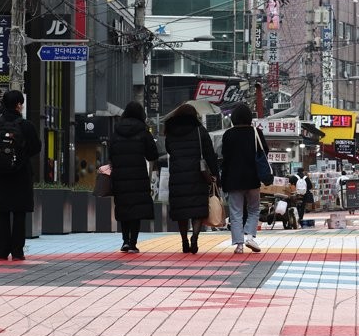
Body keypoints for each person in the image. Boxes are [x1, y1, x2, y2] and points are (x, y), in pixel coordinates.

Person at [0, 90, 41, 260]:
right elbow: (36, 147)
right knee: (19, 213)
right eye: (21, 103)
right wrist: (21, 157)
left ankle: (2, 251)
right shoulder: (26, 125)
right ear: (18, 105)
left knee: (2, 212)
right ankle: (17, 251)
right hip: (21, 174)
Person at [165, 103, 219, 254]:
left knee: (182, 210)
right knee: (197, 210)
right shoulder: (199, 130)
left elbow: (169, 149)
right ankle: (195, 237)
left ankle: (184, 241)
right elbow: (209, 154)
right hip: (197, 175)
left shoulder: (170, 131)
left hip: (177, 176)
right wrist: (215, 175)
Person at [108, 101, 160, 253]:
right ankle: (133, 243)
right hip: (138, 175)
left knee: (124, 206)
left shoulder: (116, 130)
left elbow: (111, 152)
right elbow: (152, 154)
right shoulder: (143, 131)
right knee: (136, 208)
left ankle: (124, 240)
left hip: (120, 175)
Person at [221, 103, 267, 254]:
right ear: (249, 117)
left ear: (234, 118)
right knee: (253, 209)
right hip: (253, 178)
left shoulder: (228, 134)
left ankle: (239, 245)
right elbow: (264, 151)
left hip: (233, 180)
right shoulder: (256, 132)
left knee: (236, 213)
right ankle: (250, 237)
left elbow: (225, 159)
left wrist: (223, 181)